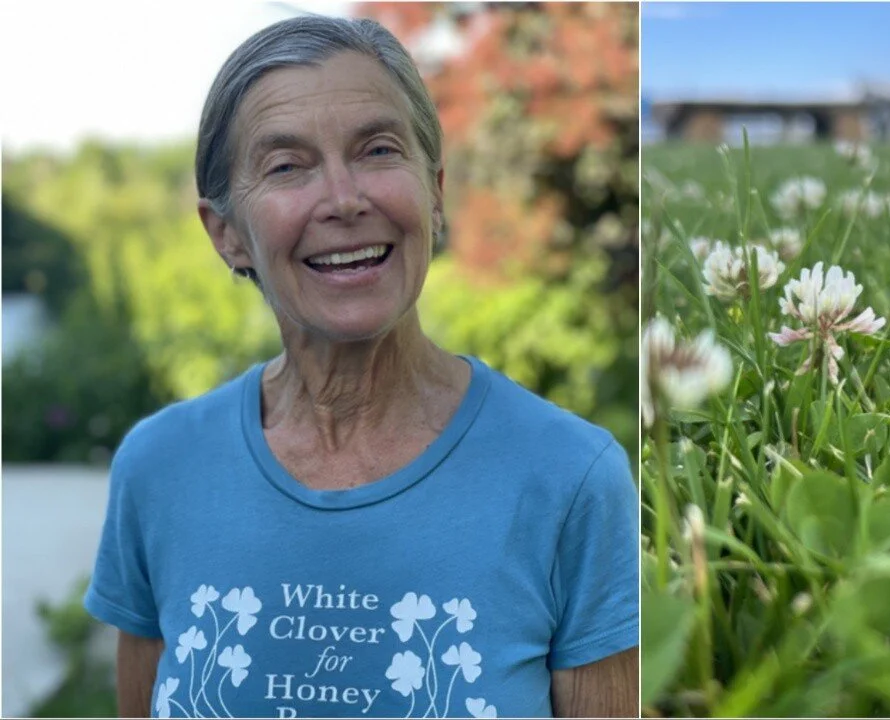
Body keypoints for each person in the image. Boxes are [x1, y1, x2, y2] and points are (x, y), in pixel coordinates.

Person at [83, 14, 639, 719]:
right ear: (225, 233)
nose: (345, 200)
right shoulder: (158, 468)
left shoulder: (571, 478)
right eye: (287, 166)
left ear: (434, 192)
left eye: (378, 150)